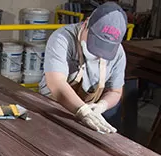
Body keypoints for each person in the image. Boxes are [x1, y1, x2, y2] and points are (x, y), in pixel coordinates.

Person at [40, 2, 128, 134]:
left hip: (90, 113)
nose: (99, 53)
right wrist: (83, 111)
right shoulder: (63, 38)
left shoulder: (118, 53)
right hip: (53, 105)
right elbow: (56, 83)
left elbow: (115, 91)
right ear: (86, 24)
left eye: (106, 48)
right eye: (96, 42)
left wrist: (101, 106)